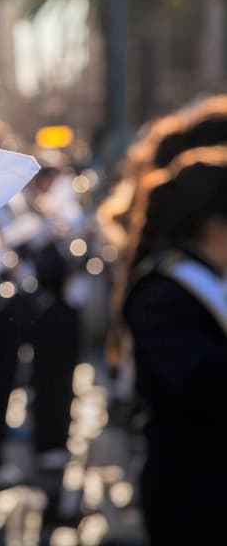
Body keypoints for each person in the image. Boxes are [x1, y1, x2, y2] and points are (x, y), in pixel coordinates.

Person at [117, 148, 227, 545]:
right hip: (193, 487)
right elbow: (202, 381)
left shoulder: (207, 277)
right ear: (213, 224)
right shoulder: (164, 290)